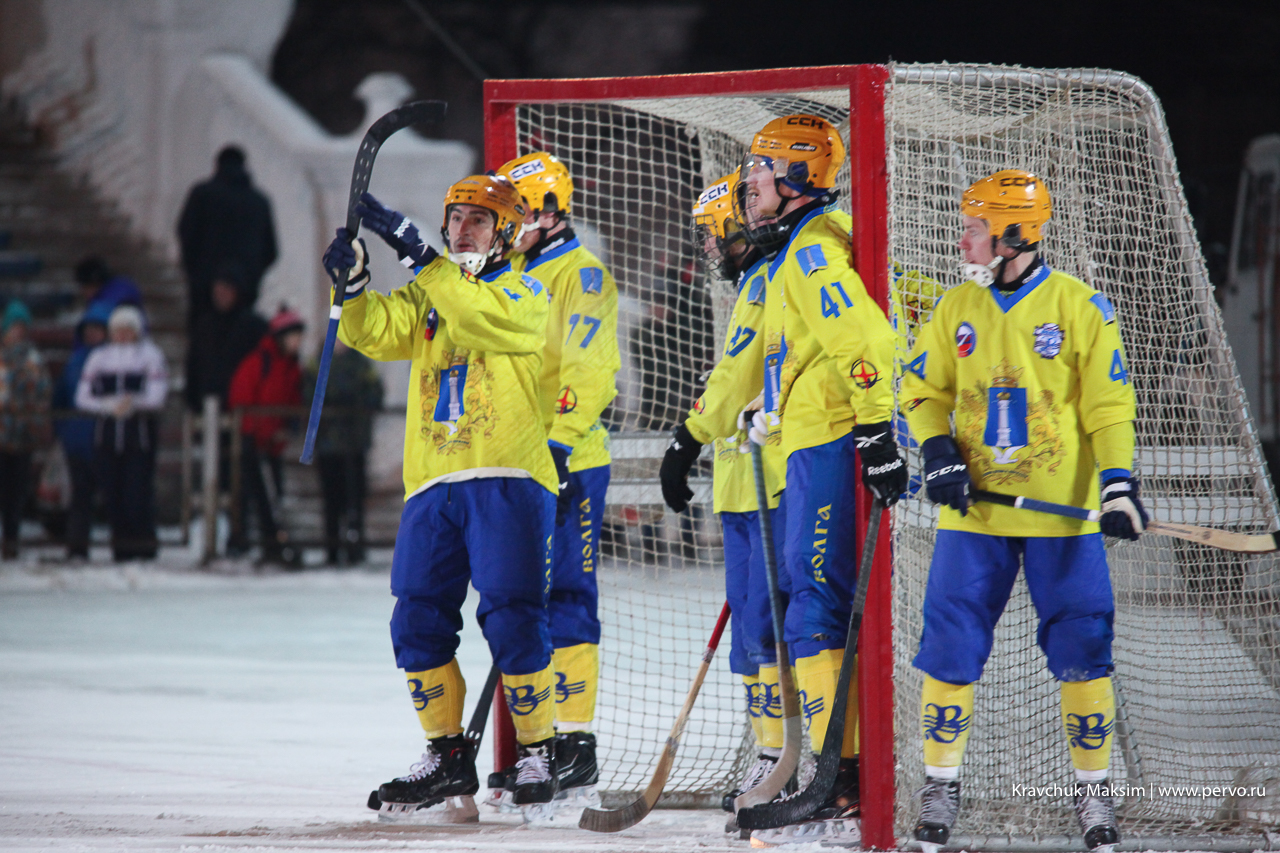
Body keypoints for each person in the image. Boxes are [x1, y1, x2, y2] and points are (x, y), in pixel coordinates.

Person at [901, 170, 1143, 853]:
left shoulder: (1080, 306)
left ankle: (1093, 792)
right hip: (974, 518)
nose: (963, 238)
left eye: (974, 227)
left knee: (1083, 650)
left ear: (1014, 234)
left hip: (1060, 517)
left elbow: (1107, 405)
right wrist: (938, 449)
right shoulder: (955, 308)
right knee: (948, 646)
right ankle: (941, 785)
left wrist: (1118, 484)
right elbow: (920, 389)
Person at [323, 173, 560, 816]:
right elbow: (372, 331)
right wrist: (352, 284)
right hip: (432, 483)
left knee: (512, 614)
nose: (460, 230)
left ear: (506, 233)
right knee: (416, 618)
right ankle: (446, 757)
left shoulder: (524, 290)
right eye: (454, 218)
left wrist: (424, 260)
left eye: (477, 221)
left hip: (506, 476)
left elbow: (478, 316)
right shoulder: (434, 291)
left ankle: (540, 751)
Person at [736, 114, 907, 829]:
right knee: (812, 607)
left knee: (817, 609)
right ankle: (836, 771)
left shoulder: (808, 254)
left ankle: (845, 775)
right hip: (808, 440)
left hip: (834, 441)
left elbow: (865, 340)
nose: (748, 187)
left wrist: (874, 430)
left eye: (759, 174)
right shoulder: (790, 251)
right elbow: (806, 353)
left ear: (798, 177)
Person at [660, 172, 794, 817]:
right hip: (744, 486)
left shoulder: (774, 278)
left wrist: (687, 437)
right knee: (753, 636)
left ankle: (791, 760)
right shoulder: (750, 283)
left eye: (714, 234)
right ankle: (772, 755)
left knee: (779, 632)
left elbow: (739, 373)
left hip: (777, 486)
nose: (709, 248)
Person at [492, 150, 621, 803]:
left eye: (519, 211)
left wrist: (563, 447)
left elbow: (590, 368)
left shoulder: (582, 274)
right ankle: (537, 746)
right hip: (513, 462)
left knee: (568, 593)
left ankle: (576, 743)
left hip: (567, 461)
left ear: (547, 209)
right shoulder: (510, 272)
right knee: (517, 599)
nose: (511, 224)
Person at [75, 305, 168, 561]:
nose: (123, 335)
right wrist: (106, 406)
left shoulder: (149, 356)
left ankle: (143, 547)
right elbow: (83, 396)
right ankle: (121, 549)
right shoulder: (99, 358)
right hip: (106, 436)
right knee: (112, 496)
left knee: (136, 495)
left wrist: (133, 403)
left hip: (137, 437)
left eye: (128, 330)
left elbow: (157, 394)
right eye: (119, 330)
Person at [226, 306, 305, 564]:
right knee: (254, 496)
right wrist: (253, 434)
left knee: (272, 495)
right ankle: (244, 542)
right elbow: (241, 399)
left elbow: (292, 401)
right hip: (254, 444)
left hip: (272, 445)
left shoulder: (291, 366)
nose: (297, 342)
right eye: (293, 336)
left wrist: (288, 428)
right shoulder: (259, 363)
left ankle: (272, 544)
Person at [177, 145, 278, 327]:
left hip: (202, 292)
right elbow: (270, 251)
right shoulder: (258, 202)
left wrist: (196, 273)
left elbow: (186, 234)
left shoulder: (202, 195)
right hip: (246, 292)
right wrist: (251, 277)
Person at [302, 340, 383, 565]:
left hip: (354, 444)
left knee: (355, 497)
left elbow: (375, 394)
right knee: (332, 499)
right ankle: (333, 548)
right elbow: (308, 395)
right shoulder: (318, 363)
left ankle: (354, 548)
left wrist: (356, 406)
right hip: (328, 445)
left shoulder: (361, 363)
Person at [53, 302, 112, 559]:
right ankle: (77, 547)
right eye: (88, 329)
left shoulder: (113, 361)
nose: (92, 334)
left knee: (113, 497)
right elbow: (61, 400)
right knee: (80, 498)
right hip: (77, 441)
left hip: (106, 439)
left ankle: (125, 547)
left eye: (98, 329)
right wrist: (63, 432)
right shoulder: (75, 361)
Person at [0, 300, 52, 559]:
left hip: (22, 437)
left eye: (22, 328)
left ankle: (11, 539)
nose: (17, 333)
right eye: (13, 327)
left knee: (15, 493)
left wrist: (34, 420)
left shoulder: (34, 360)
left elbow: (42, 394)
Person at [184, 264, 269, 413]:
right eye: (217, 289)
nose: (220, 294)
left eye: (226, 289)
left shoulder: (253, 327)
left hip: (243, 408)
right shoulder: (204, 326)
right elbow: (194, 364)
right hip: (206, 406)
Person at [74, 256, 144, 320]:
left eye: (85, 286)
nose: (83, 291)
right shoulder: (120, 287)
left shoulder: (109, 300)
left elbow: (96, 324)